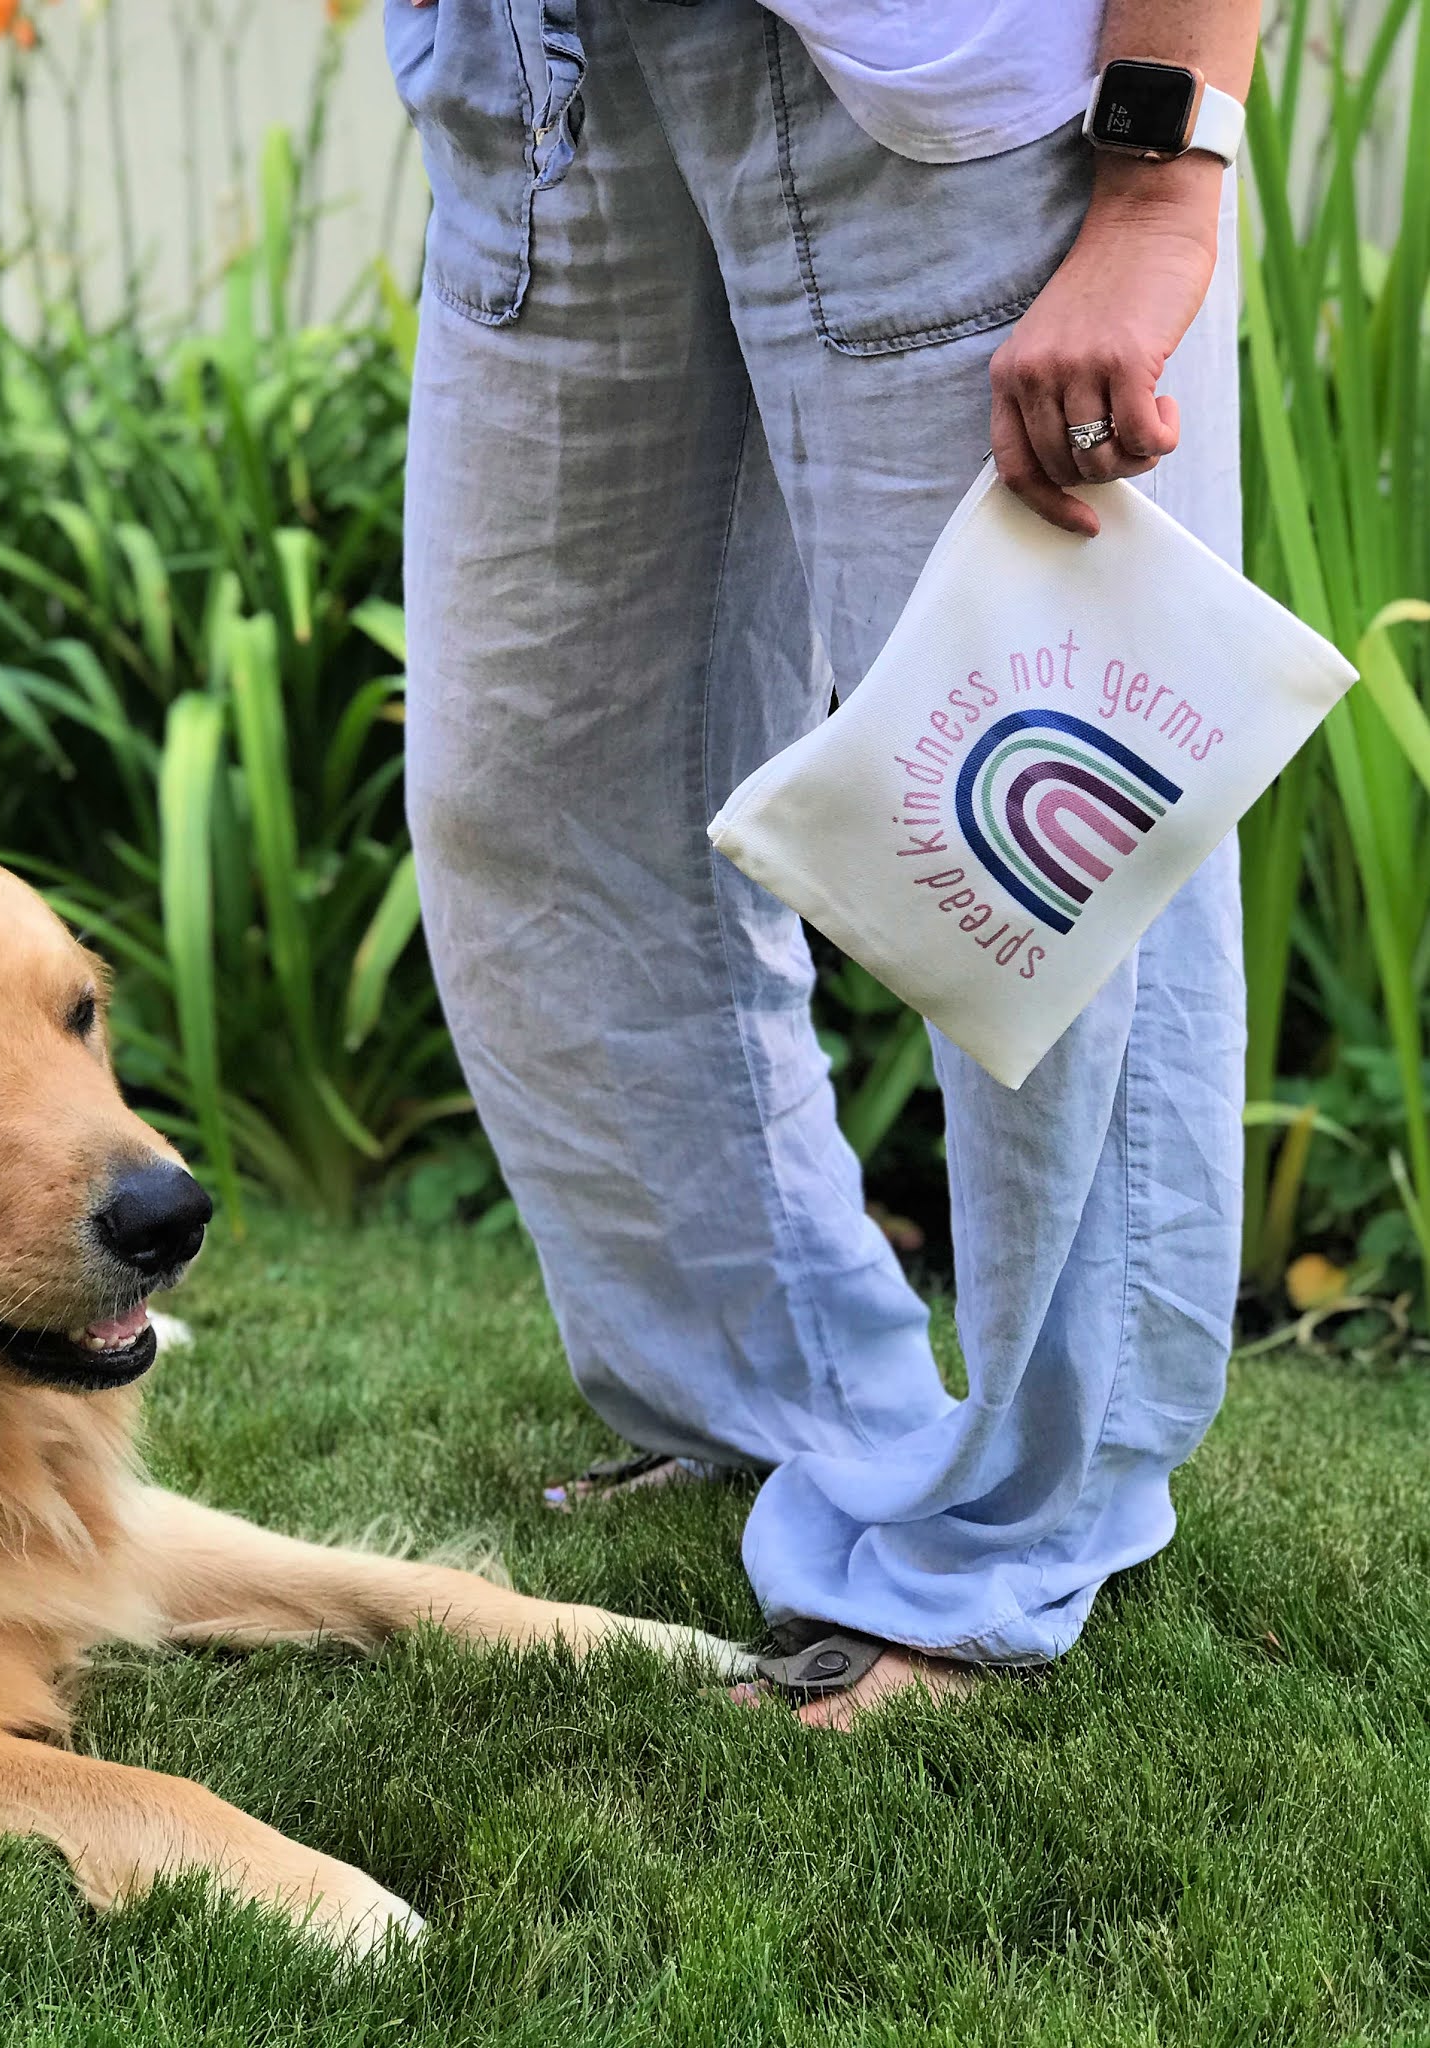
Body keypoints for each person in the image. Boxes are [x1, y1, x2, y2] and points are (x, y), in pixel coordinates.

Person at [384, 0, 1260, 1726]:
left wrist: (1160, 175)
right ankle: (760, 1402)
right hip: (543, 72)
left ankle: (1018, 1535)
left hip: (946, 97)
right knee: (535, 790)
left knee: (1041, 831)